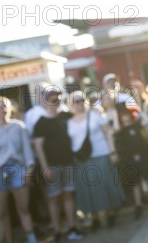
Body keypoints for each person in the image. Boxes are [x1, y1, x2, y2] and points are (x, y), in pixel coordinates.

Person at [66, 91, 124, 230]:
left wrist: (112, 152)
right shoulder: (68, 122)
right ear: (70, 104)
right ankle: (95, 217)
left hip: (101, 154)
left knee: (105, 184)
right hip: (81, 159)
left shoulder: (96, 115)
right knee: (88, 188)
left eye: (81, 100)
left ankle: (110, 213)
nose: (79, 103)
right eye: (75, 101)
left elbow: (108, 133)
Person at [32, 87, 84, 242]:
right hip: (52, 166)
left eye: (58, 98)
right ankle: (57, 231)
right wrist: (45, 167)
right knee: (53, 199)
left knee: (68, 196)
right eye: (52, 98)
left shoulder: (66, 116)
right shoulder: (40, 123)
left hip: (68, 162)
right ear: (45, 101)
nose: (56, 101)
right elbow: (38, 147)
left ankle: (72, 228)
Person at [0, 97, 37, 243]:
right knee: (2, 212)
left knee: (23, 208)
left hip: (18, 169)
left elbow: (27, 151)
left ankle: (31, 238)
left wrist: (29, 169)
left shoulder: (18, 126)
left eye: (4, 106)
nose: (1, 110)